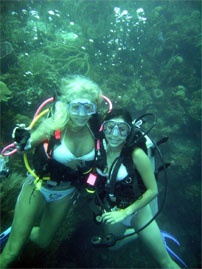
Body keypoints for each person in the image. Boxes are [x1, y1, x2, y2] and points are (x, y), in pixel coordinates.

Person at [0, 75, 103, 268]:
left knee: (43, 241)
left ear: (94, 108)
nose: (81, 114)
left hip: (65, 193)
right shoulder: (55, 126)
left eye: (88, 107)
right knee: (12, 253)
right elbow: (28, 142)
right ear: (66, 105)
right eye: (75, 106)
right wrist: (22, 139)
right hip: (38, 186)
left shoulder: (96, 131)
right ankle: (16, 235)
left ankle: (19, 230)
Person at [92, 108, 181, 269]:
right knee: (112, 246)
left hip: (139, 211)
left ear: (129, 131)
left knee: (165, 262)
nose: (115, 134)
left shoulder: (137, 155)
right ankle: (139, 235)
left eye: (122, 129)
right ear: (103, 128)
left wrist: (125, 212)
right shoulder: (98, 150)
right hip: (113, 209)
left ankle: (148, 233)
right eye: (110, 127)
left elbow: (153, 190)